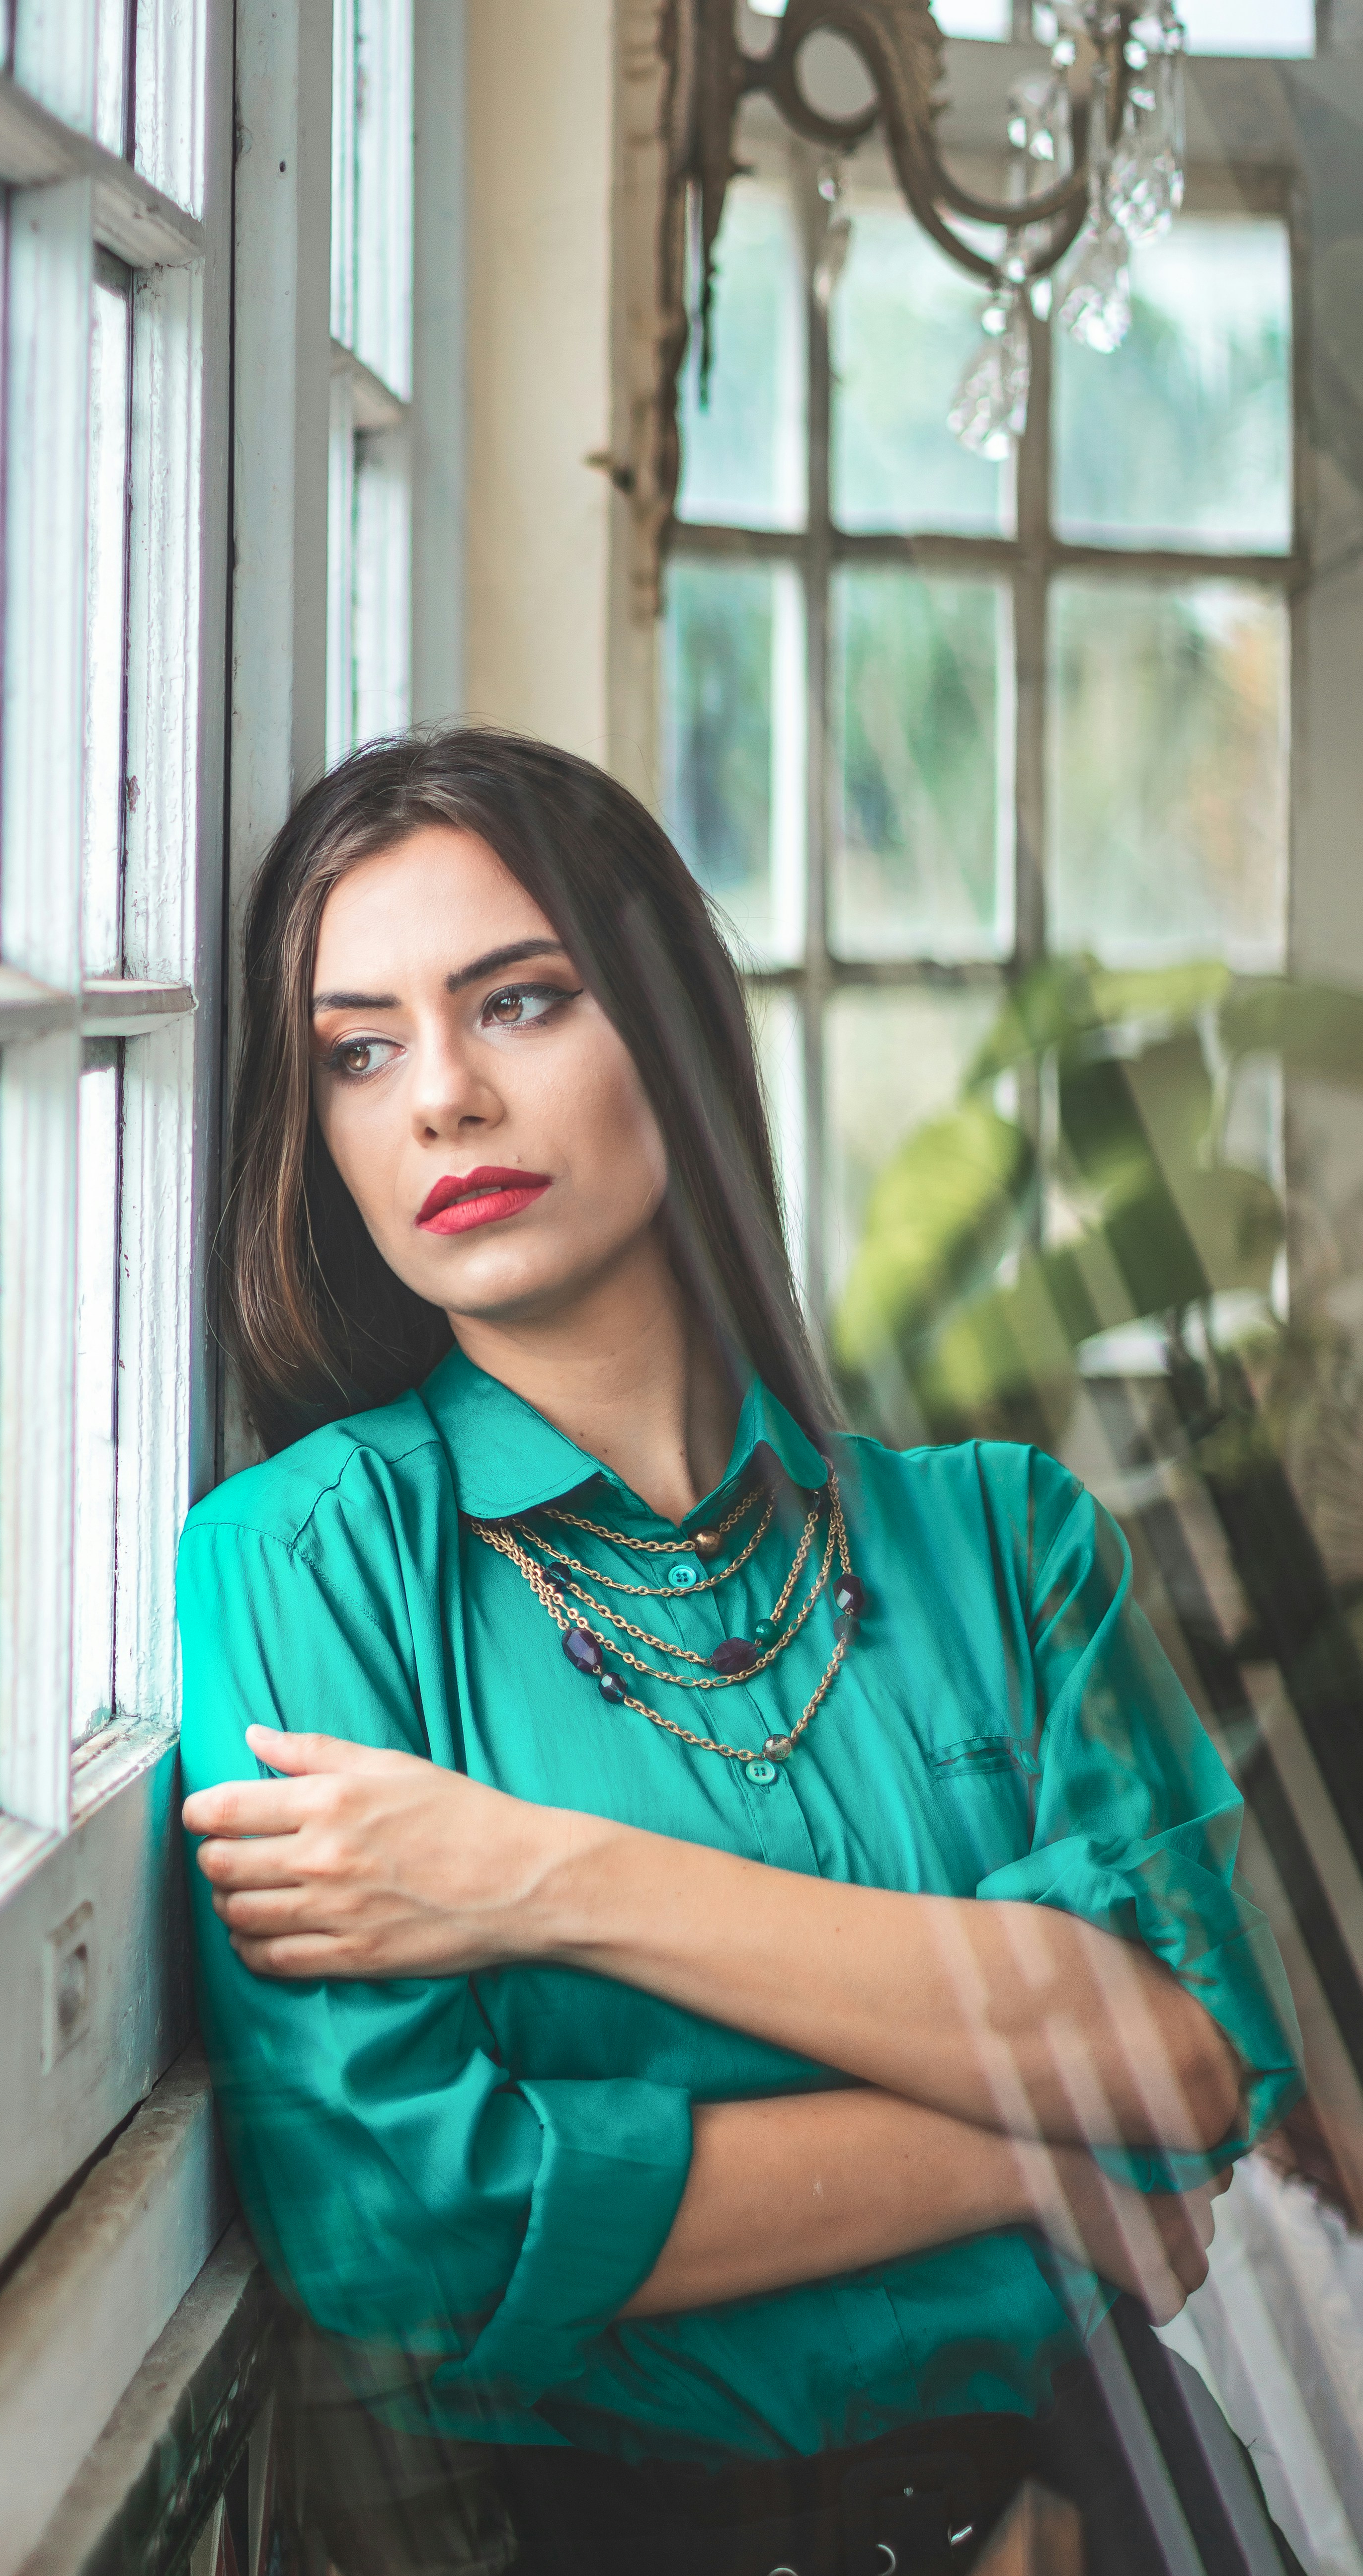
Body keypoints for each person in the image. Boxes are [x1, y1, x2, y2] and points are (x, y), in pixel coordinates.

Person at [177, 728, 1304, 2576]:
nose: (442, 1098)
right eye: (358, 1049)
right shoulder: (311, 1561)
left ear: (679, 1035)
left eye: (518, 1003)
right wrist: (1025, 2156)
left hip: (1094, 2515)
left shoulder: (1008, 1544)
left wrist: (533, 1879)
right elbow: (412, 2229)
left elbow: (1187, 2068)